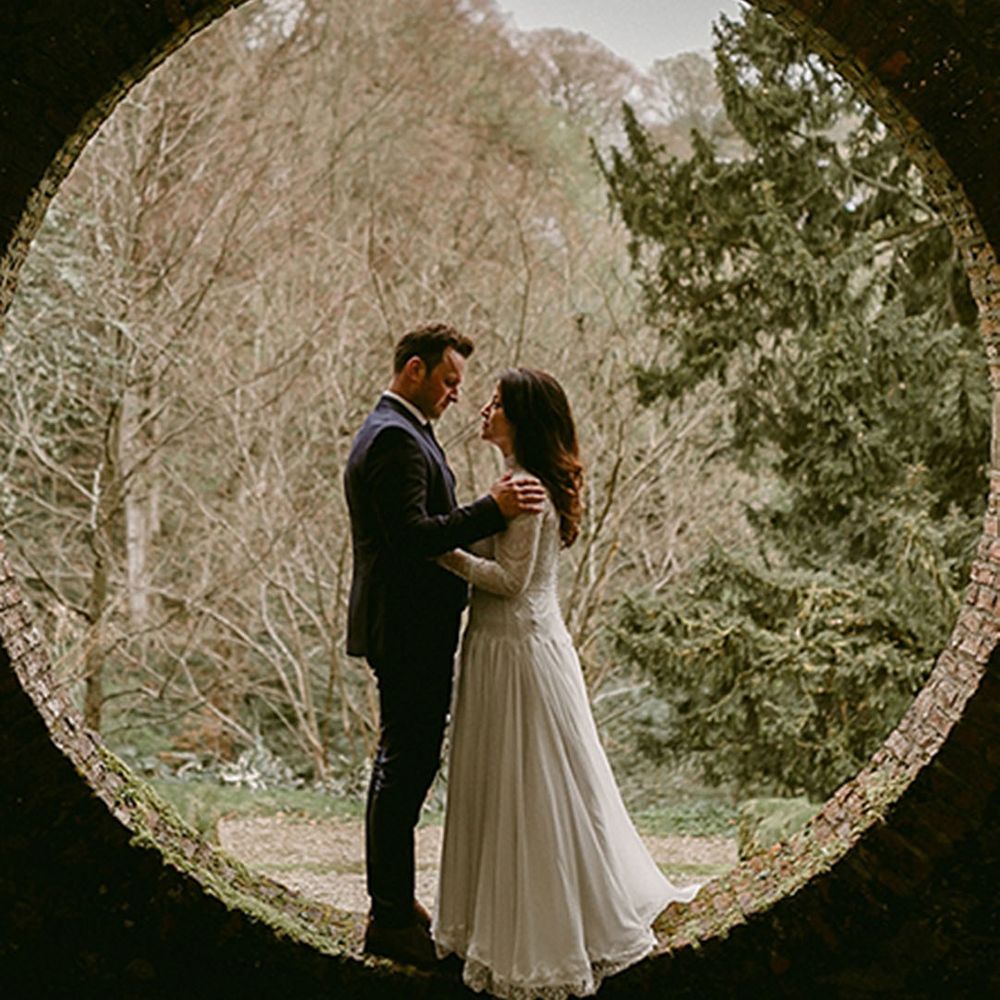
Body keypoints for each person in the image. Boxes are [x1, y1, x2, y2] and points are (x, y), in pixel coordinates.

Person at [433, 367, 698, 999]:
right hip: (505, 646)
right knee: (516, 787)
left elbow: (509, 582)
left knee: (531, 792)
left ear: (522, 417)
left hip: (518, 652)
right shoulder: (515, 482)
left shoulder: (525, 488)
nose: (484, 410)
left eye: (496, 402)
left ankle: (541, 938)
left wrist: (438, 547)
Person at [344, 324, 546, 968]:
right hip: (406, 629)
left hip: (411, 627)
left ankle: (395, 904)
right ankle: (390, 916)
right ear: (413, 370)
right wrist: (493, 508)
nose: (457, 395)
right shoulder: (396, 441)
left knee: (404, 762)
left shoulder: (401, 431)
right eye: (449, 380)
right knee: (404, 767)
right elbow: (412, 536)